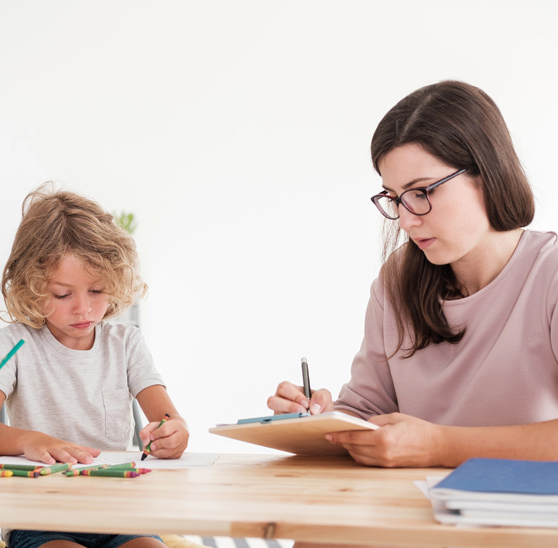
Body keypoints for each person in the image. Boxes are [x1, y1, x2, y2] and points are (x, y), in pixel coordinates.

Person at [268, 79, 558, 473]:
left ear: (487, 174)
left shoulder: (550, 273)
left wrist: (440, 446)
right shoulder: (398, 280)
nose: (405, 219)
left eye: (422, 192)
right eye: (394, 197)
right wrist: (320, 417)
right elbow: (368, 414)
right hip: (413, 511)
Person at [0, 184, 189, 548]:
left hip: (120, 512)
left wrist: (172, 435)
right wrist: (29, 440)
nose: (83, 309)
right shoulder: (14, 344)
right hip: (42, 517)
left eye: (97, 290)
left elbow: (170, 422)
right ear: (31, 287)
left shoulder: (126, 343)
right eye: (62, 294)